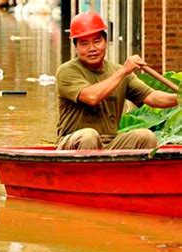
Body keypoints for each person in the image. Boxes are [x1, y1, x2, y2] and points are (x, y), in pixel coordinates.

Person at [56, 11, 178, 150]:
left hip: (110, 143)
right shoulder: (67, 71)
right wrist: (124, 71)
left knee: (146, 136)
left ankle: (134, 172)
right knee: (89, 136)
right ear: (76, 47)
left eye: (97, 41)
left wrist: (178, 98)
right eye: (84, 44)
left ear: (106, 42)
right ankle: (87, 172)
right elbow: (92, 97)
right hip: (73, 144)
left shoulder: (118, 71)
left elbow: (152, 97)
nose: (92, 49)